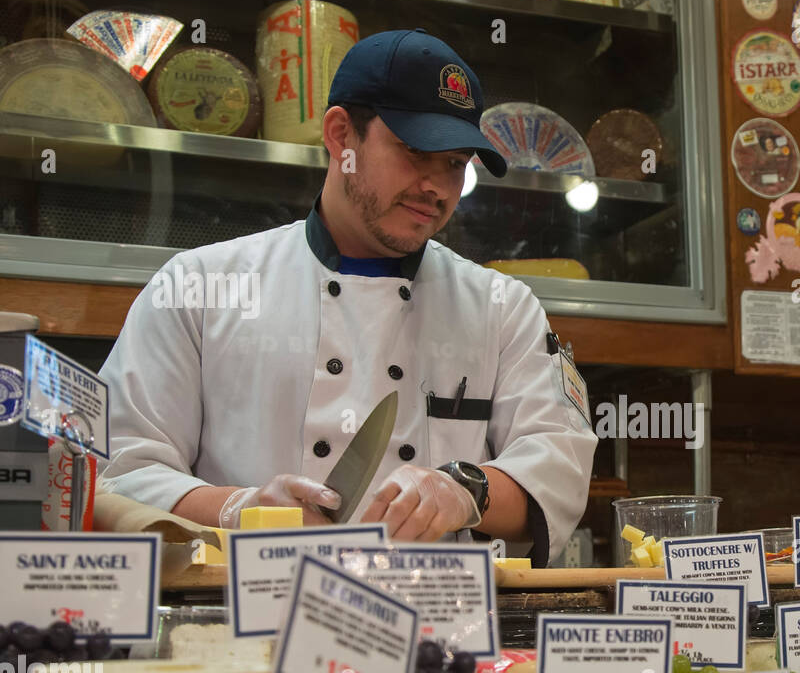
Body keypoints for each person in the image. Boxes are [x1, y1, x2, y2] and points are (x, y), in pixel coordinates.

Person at [98, 29, 597, 565]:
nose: (437, 186)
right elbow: (117, 471)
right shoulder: (198, 287)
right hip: (241, 627)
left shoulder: (502, 308)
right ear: (341, 136)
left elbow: (557, 468)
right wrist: (237, 509)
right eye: (415, 150)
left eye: (455, 163)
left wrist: (466, 491)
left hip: (440, 627)